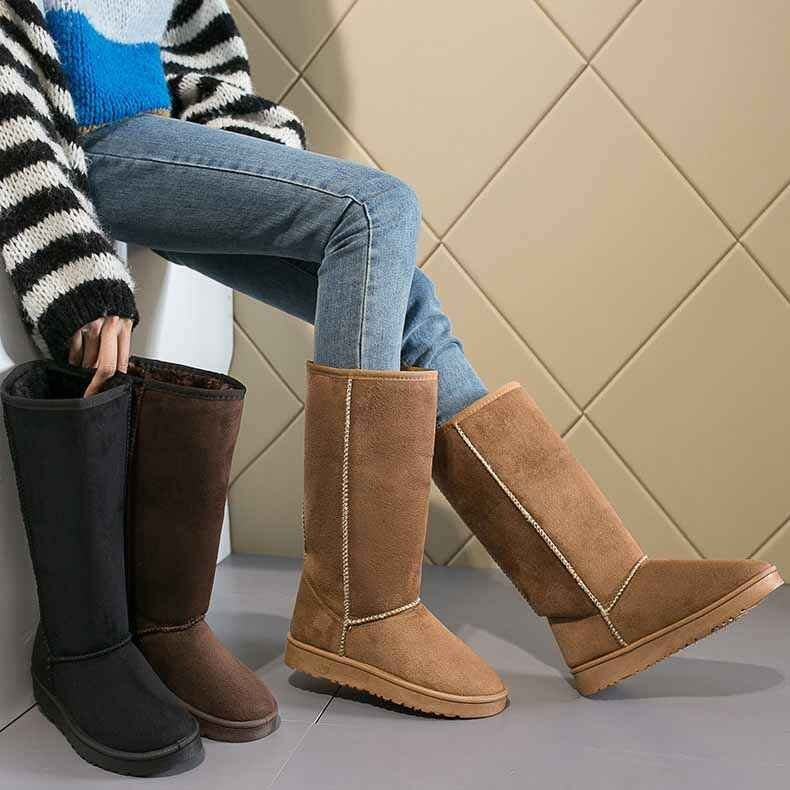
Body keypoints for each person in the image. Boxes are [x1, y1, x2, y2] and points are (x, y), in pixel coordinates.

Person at [1, 0, 781, 725]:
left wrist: (240, 148)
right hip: (78, 146)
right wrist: (71, 257)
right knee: (376, 208)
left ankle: (598, 592)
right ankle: (358, 608)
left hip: (160, 137)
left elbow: (190, 49)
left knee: (403, 292)